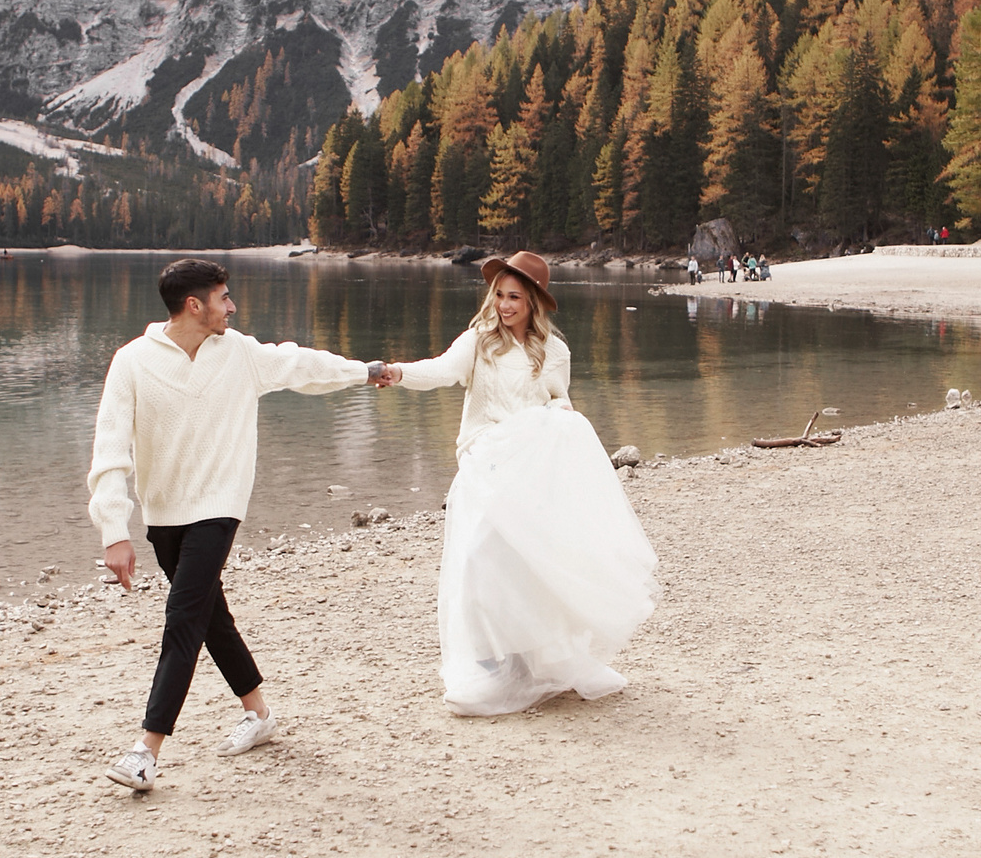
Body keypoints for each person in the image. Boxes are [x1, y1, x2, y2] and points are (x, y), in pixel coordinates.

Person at [89, 257, 390, 793]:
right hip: (164, 514)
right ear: (193, 305)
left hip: (219, 506)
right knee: (210, 617)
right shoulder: (132, 362)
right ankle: (259, 713)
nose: (232, 306)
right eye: (223, 297)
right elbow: (110, 451)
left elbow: (300, 366)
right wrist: (115, 528)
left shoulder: (240, 355)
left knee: (183, 617)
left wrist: (362, 371)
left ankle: (144, 751)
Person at [380, 252, 656, 715]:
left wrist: (560, 422)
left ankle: (530, 661)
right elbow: (443, 371)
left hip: (530, 473)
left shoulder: (553, 352)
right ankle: (491, 664)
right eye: (499, 295)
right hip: (484, 467)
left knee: (528, 567)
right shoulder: (478, 342)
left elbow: (559, 404)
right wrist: (400, 372)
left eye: (514, 297)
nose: (504, 306)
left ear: (533, 303)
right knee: (477, 561)